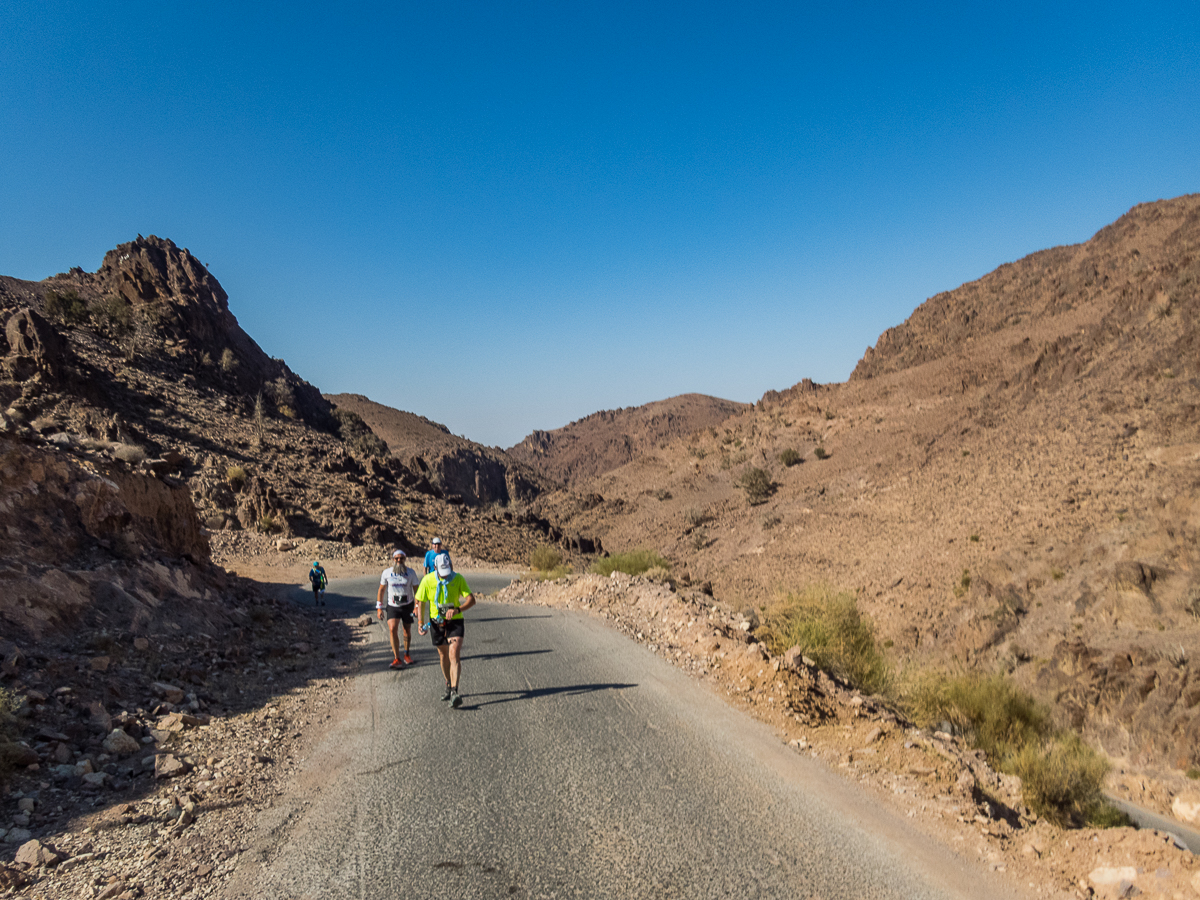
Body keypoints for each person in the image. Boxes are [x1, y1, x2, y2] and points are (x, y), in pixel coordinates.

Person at [415, 552, 474, 708]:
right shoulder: (427, 581)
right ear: (434, 568)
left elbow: (471, 600)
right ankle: (448, 684)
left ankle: (455, 691)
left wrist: (457, 609)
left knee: (454, 653)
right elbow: (420, 601)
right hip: (436, 622)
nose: (445, 576)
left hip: (455, 621)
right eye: (442, 573)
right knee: (443, 655)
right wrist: (420, 622)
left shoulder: (458, 578)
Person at [378, 550, 419, 669]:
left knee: (406, 630)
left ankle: (406, 654)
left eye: (401, 558)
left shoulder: (411, 573)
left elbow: (417, 590)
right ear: (393, 560)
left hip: (407, 605)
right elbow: (381, 590)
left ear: (405, 559)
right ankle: (397, 658)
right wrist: (379, 608)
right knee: (392, 629)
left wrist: (417, 606)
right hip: (393, 606)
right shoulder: (387, 573)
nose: (399, 561)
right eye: (396, 558)